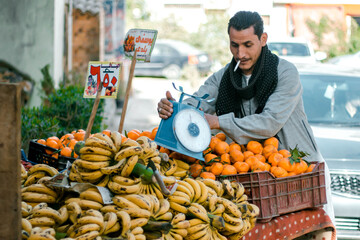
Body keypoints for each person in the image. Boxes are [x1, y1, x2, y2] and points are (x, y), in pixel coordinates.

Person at [157, 11, 335, 224]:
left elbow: (268, 123)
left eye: (248, 45)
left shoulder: (286, 73)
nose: (240, 53)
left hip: (298, 172)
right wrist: (175, 109)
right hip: (252, 173)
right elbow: (197, 104)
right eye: (234, 45)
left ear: (263, 39)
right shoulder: (224, 77)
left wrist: (219, 122)